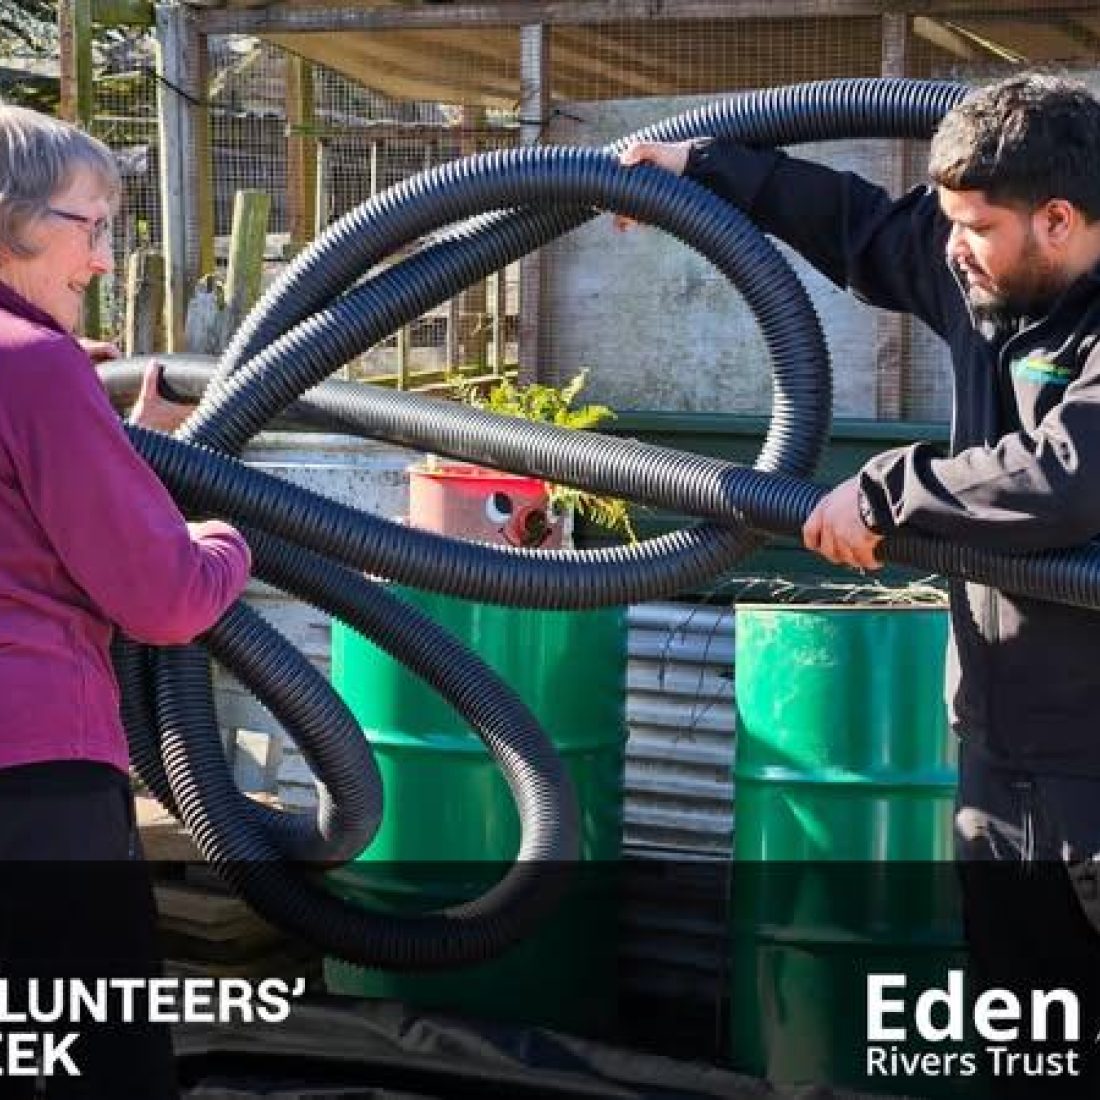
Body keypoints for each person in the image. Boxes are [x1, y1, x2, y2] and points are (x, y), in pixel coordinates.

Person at [622, 74, 1100, 1094]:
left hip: (1092, 770)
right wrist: (700, 168)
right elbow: (850, 225)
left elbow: (1069, 476)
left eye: (973, 224)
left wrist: (889, 487)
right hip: (995, 754)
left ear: (1055, 221)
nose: (951, 244)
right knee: (1027, 1044)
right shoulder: (979, 279)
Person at [0, 104, 250, 1096]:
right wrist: (225, 532)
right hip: (34, 787)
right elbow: (165, 597)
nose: (103, 259)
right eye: (89, 225)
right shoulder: (35, 368)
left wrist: (125, 433)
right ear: (11, 218)